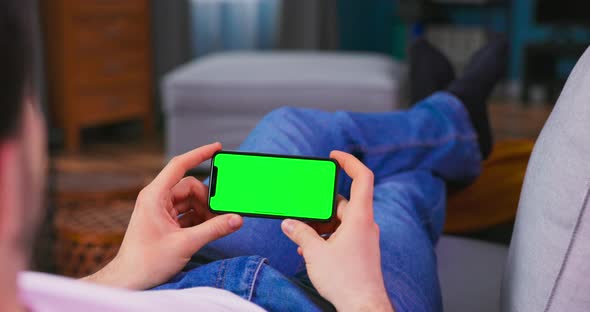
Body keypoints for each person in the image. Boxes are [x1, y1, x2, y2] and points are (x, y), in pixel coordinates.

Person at [0, 1, 508, 311]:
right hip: (320, 305)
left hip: (175, 280)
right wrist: (363, 299)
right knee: (394, 198)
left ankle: (450, 122)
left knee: (289, 124)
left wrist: (123, 272)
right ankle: (452, 122)